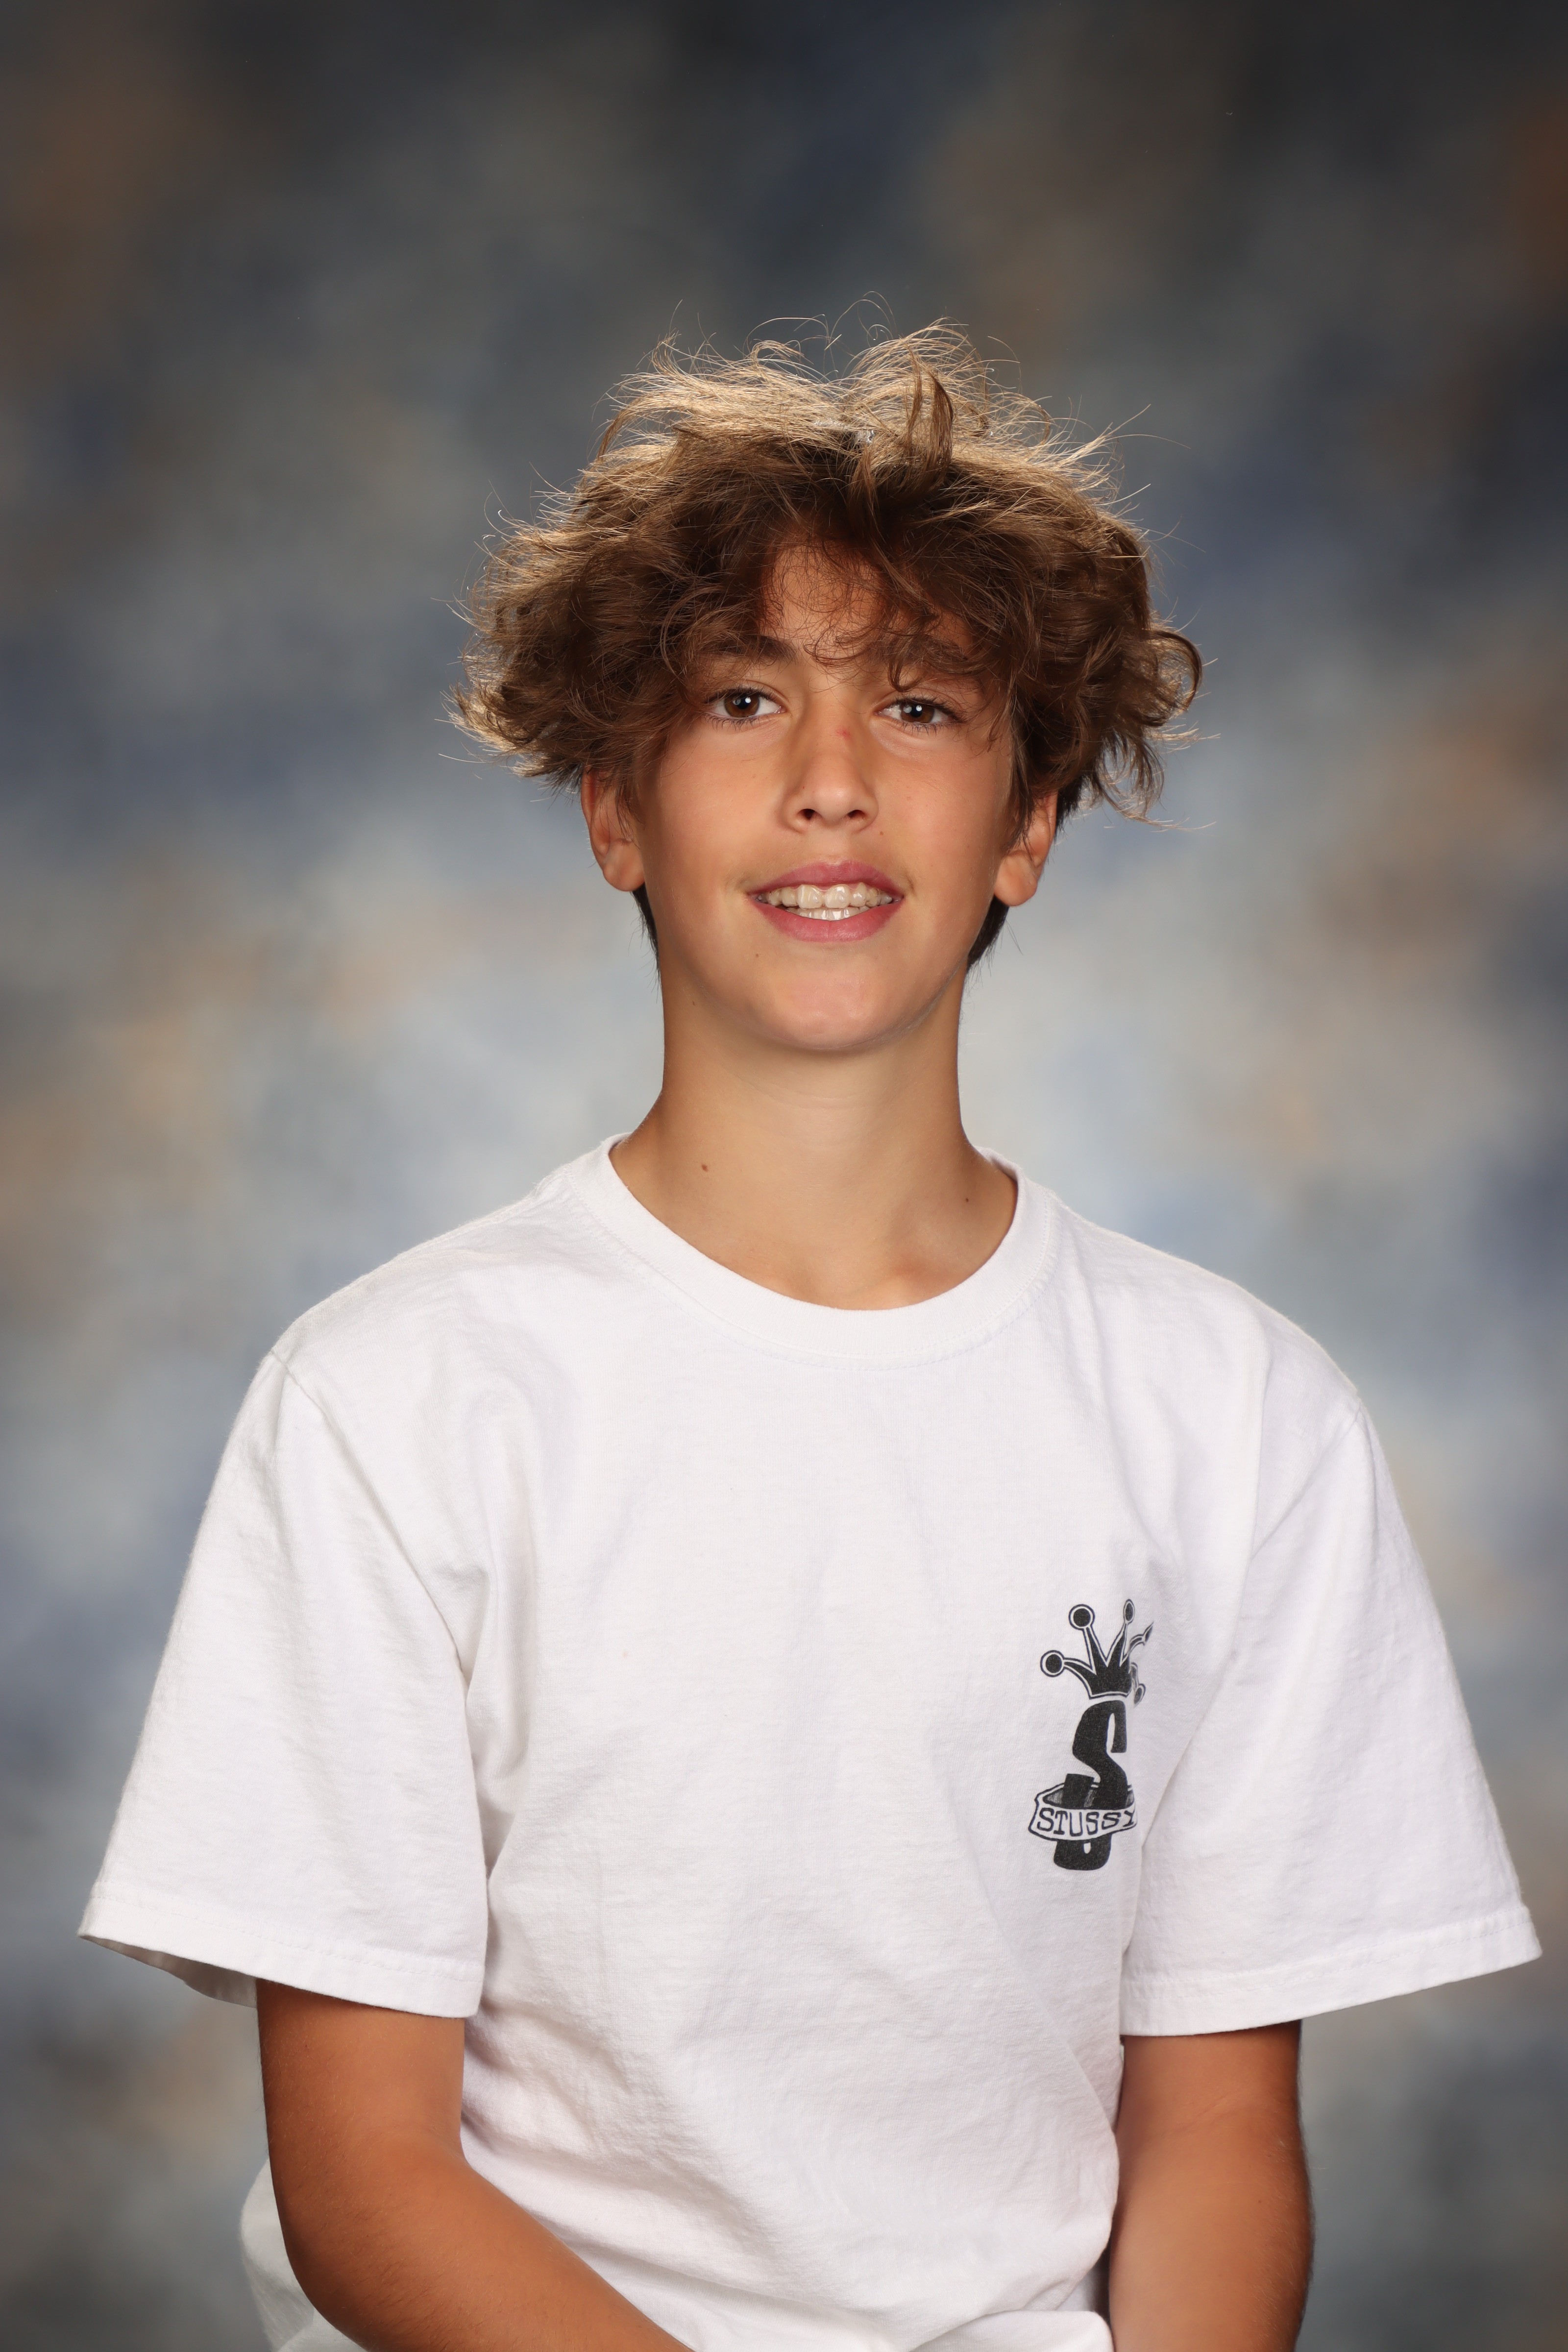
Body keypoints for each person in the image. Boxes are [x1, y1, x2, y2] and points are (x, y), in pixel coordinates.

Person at [81, 328, 1537, 2352]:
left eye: (920, 707)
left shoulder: (1235, 1414)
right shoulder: (396, 1403)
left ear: (1027, 825)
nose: (831, 779)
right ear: (615, 808)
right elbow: (365, 2178)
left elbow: (1211, 2136)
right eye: (742, 698)